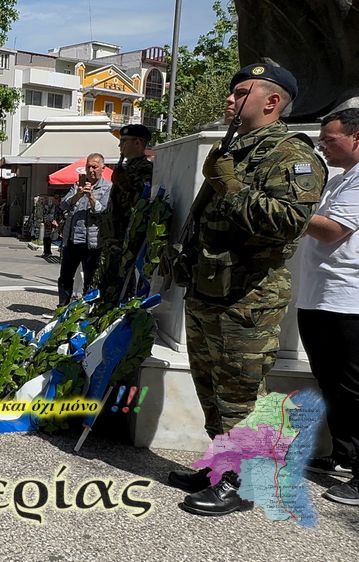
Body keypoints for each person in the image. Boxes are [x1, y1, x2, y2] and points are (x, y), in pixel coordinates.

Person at [167, 63, 327, 516]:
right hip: (210, 291)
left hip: (248, 300)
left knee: (239, 396)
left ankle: (243, 484)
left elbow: (288, 222)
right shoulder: (238, 148)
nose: (230, 99)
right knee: (211, 389)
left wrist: (231, 185)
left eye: (241, 92)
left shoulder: (290, 155)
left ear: (272, 101)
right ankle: (222, 467)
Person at [296, 108, 359, 506]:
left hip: (349, 301)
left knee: (353, 388)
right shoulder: (339, 180)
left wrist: (290, 208)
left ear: (357, 137)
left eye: (330, 140)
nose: (322, 146)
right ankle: (344, 454)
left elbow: (332, 231)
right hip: (319, 297)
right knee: (331, 382)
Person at [95, 124, 153, 304]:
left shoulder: (145, 169)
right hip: (114, 236)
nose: (120, 146)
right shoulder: (126, 167)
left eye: (124, 141)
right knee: (107, 282)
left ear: (138, 142)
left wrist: (124, 182)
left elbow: (141, 202)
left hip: (128, 238)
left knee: (122, 285)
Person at [56, 154, 111, 306]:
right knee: (65, 277)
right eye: (88, 167)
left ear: (102, 168)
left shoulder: (107, 188)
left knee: (90, 279)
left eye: (95, 167)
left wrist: (91, 197)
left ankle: (87, 310)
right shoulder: (77, 185)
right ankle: (62, 307)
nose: (91, 170)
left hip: (92, 243)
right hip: (72, 240)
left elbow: (103, 212)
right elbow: (64, 205)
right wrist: (78, 195)